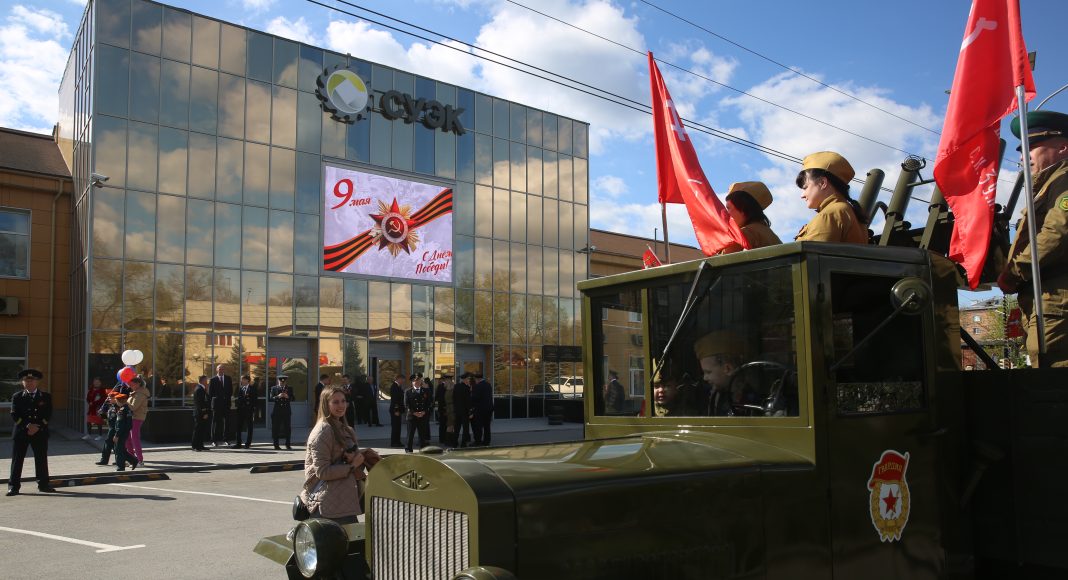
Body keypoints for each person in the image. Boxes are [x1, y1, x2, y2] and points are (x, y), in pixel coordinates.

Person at [998, 110, 1068, 368]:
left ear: (1062, 146)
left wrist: (1014, 272)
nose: (1024, 155)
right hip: (1046, 298)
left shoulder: (1064, 180)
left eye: (1034, 146)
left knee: (1053, 385)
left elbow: (1057, 233)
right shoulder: (1050, 185)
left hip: (1057, 300)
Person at [299, 386, 380, 524]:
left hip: (343, 501)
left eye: (343, 401)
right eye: (335, 402)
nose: (341, 405)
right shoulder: (323, 432)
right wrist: (352, 465)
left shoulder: (344, 428)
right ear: (326, 404)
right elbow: (322, 472)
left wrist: (359, 456)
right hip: (329, 504)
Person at [794, 151, 869, 244]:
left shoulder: (831, 214)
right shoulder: (845, 210)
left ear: (822, 183)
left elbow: (807, 256)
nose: (802, 195)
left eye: (805, 187)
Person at [7, 369, 56, 495]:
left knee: (41, 459)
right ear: (22, 382)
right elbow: (14, 414)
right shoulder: (17, 397)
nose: (29, 383)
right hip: (22, 432)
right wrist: (28, 426)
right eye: (26, 381)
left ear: (37, 382)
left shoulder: (45, 397)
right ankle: (14, 486)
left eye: (31, 380)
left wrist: (36, 427)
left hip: (40, 432)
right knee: (17, 460)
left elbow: (48, 414)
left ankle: (44, 484)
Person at [694, 331, 748, 416]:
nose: (705, 378)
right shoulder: (715, 395)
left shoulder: (750, 400)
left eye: (708, 372)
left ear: (728, 369)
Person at [720, 181, 782, 253]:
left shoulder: (745, 232)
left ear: (742, 209)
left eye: (728, 208)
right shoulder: (768, 232)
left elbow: (722, 260)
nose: (726, 214)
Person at [124, 377, 149, 467]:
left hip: (137, 417)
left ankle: (140, 460)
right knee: (128, 438)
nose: (130, 386)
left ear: (138, 384)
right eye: (130, 384)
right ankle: (131, 459)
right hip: (132, 417)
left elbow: (133, 407)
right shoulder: (135, 392)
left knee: (134, 437)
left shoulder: (141, 393)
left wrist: (121, 402)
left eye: (132, 384)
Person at [404, 375, 433, 452]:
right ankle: (408, 449)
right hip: (412, 416)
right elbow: (407, 404)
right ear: (412, 382)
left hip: (422, 416)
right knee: (410, 434)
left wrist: (424, 412)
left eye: (418, 381)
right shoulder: (408, 391)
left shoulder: (426, 391)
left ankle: (423, 449)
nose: (416, 382)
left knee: (422, 435)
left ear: (421, 382)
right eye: (414, 381)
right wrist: (414, 413)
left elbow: (429, 403)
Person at [208, 364, 233, 446]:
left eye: (222, 369)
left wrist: (227, 399)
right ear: (217, 370)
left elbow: (230, 391)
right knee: (215, 422)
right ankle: (213, 440)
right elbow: (210, 393)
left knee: (227, 423)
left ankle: (226, 439)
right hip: (216, 405)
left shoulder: (228, 379)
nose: (221, 370)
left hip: (226, 404)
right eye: (219, 369)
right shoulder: (213, 380)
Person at [230, 374, 257, 448]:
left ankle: (248, 443)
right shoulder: (241, 388)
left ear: (247, 380)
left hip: (249, 411)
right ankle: (238, 443)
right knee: (238, 427)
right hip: (241, 411)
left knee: (249, 427)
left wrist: (251, 407)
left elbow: (254, 400)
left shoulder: (252, 388)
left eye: (242, 379)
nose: (241, 381)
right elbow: (238, 398)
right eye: (241, 379)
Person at [112, 393, 136, 471]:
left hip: (121, 433)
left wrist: (117, 435)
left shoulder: (121, 411)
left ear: (120, 401)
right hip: (125, 432)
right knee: (122, 449)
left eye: (116, 400)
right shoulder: (128, 409)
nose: (116, 402)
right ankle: (134, 460)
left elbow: (120, 424)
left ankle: (120, 467)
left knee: (118, 450)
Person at [95, 390, 119, 466]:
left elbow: (118, 418)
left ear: (116, 399)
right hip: (111, 427)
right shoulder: (111, 406)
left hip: (115, 428)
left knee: (113, 445)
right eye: (109, 398)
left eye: (111, 398)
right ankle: (105, 460)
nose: (109, 399)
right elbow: (109, 417)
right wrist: (102, 415)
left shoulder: (118, 407)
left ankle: (118, 460)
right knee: (109, 445)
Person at [271, 375, 294, 450]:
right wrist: (278, 396)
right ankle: (276, 445)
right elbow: (271, 398)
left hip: (286, 411)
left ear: (285, 382)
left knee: (287, 428)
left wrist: (288, 397)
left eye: (283, 382)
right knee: (276, 428)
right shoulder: (274, 388)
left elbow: (293, 398)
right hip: (277, 411)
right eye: (281, 382)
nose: (282, 383)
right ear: (278, 381)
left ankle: (288, 444)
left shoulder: (289, 388)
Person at [470, 373, 494, 446]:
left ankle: (478, 441)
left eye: (475, 379)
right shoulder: (488, 385)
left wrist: (470, 395)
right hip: (489, 408)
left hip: (480, 409)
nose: (475, 381)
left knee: (478, 426)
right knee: (487, 426)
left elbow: (475, 398)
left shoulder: (478, 386)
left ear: (477, 379)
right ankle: (487, 441)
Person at [192, 375, 211, 452]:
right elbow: (200, 403)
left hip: (201, 413)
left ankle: (200, 445)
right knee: (198, 430)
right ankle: (195, 446)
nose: (207, 382)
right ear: (203, 381)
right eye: (206, 380)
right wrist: (204, 413)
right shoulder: (199, 389)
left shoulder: (202, 388)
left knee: (202, 430)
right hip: (200, 414)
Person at [454, 374, 472, 447]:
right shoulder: (466, 388)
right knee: (465, 428)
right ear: (464, 379)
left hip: (457, 410)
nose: (469, 380)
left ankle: (455, 443)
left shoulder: (456, 386)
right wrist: (470, 411)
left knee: (457, 428)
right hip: (464, 411)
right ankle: (463, 444)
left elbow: (454, 398)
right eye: (468, 379)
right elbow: (467, 401)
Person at [388, 376, 405, 448]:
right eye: (402, 380)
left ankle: (397, 441)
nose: (403, 382)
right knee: (395, 427)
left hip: (398, 410)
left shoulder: (398, 386)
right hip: (395, 410)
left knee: (398, 427)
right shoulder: (394, 387)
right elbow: (395, 400)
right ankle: (394, 442)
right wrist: (396, 410)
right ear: (398, 379)